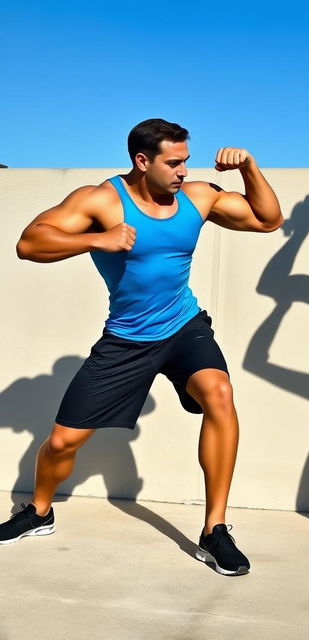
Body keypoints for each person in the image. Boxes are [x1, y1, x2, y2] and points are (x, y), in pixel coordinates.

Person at [0, 118, 283, 577]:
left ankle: (215, 530)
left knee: (220, 394)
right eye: (173, 162)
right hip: (127, 339)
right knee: (61, 443)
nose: (183, 171)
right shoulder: (102, 200)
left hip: (183, 326)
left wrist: (250, 166)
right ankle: (38, 511)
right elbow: (29, 243)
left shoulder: (199, 196)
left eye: (186, 161)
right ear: (142, 161)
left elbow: (269, 220)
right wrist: (97, 238)